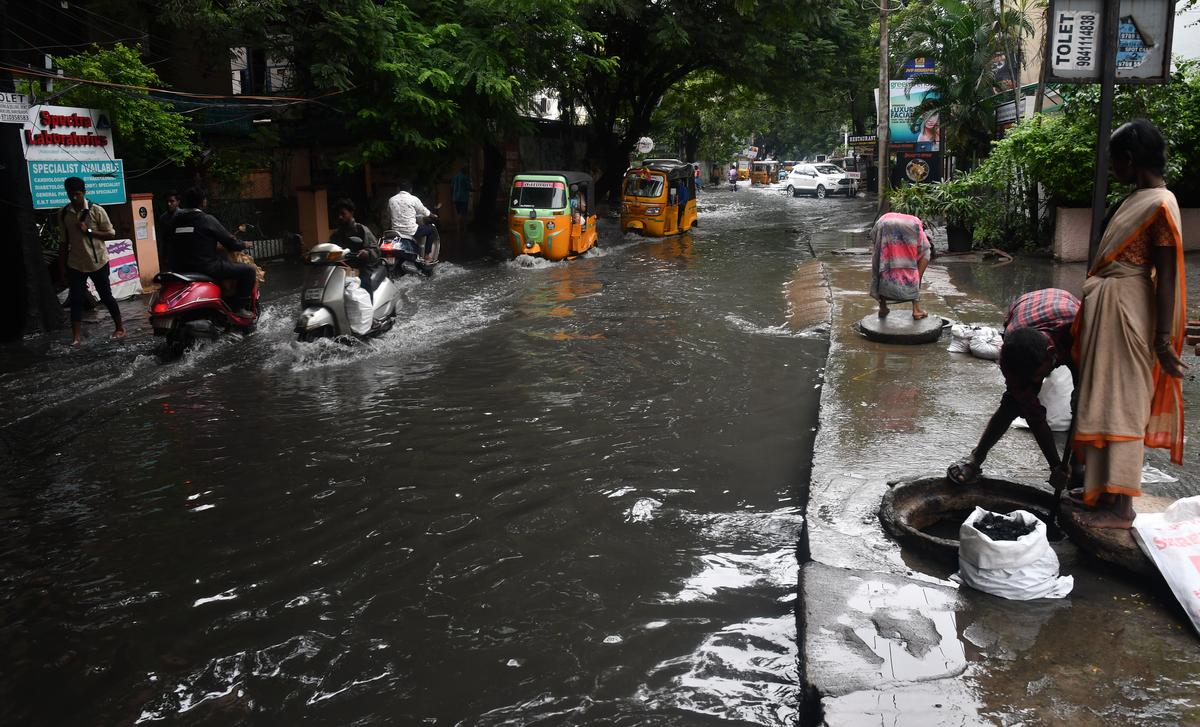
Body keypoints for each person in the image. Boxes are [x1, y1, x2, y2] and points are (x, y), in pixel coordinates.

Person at [1069, 119, 1187, 529]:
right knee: (1103, 398)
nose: (1112, 166)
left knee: (1123, 403)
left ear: (1131, 160)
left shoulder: (1160, 203)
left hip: (1130, 311)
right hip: (1111, 304)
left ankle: (1121, 509)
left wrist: (1161, 341)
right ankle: (1103, 495)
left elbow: (1167, 274)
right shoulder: (1138, 198)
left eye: (1114, 159)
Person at [947, 289, 1081, 488]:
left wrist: (1080, 394)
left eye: (1038, 375)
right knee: (1014, 402)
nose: (1036, 382)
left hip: (1065, 314)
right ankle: (976, 458)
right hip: (1024, 309)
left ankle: (1078, 466)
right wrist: (1055, 466)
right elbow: (1035, 416)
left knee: (1084, 402)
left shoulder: (1077, 331)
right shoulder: (1009, 352)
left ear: (1051, 355)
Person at [170, 187, 257, 317]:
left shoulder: (175, 220)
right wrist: (242, 244)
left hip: (179, 269)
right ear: (203, 202)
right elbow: (230, 242)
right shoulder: (206, 219)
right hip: (205, 267)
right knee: (249, 270)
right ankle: (238, 308)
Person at [58, 176, 125, 345]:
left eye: (77, 194)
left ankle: (119, 328)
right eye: (70, 194)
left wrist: (87, 231)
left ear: (84, 192)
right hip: (75, 263)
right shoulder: (64, 213)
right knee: (76, 300)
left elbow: (111, 233)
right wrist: (62, 267)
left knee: (106, 296)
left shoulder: (96, 210)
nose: (74, 197)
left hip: (98, 262)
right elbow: (63, 242)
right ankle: (76, 338)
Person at [869, 209, 930, 319]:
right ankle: (916, 309)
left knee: (882, 268)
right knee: (922, 261)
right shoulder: (916, 222)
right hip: (900, 229)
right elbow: (922, 248)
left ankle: (883, 307)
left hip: (884, 224)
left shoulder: (887, 217)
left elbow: (873, 237)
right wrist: (917, 275)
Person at [387, 180, 440, 263]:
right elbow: (424, 211)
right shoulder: (413, 199)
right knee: (431, 230)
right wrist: (434, 216)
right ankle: (427, 256)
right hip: (411, 231)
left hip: (395, 231)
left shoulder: (391, 200)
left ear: (398, 189)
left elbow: (390, 213)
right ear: (410, 189)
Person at [328, 198, 380, 278]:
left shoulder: (361, 230)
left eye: (343, 214)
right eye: (337, 214)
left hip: (361, 269)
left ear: (351, 213)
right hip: (341, 270)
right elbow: (330, 250)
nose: (340, 217)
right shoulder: (335, 234)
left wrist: (367, 253)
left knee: (364, 286)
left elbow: (376, 251)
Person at [157, 189, 180, 267]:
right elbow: (162, 238)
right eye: (167, 201)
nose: (169, 204)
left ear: (178, 202)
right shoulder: (163, 218)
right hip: (169, 254)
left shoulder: (184, 216)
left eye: (172, 201)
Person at [450, 165, 471, 237]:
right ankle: (464, 228)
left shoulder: (455, 177)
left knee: (458, 212)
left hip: (456, 198)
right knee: (463, 213)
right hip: (463, 198)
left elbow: (452, 186)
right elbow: (468, 187)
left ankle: (458, 228)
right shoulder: (465, 177)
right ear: (465, 171)